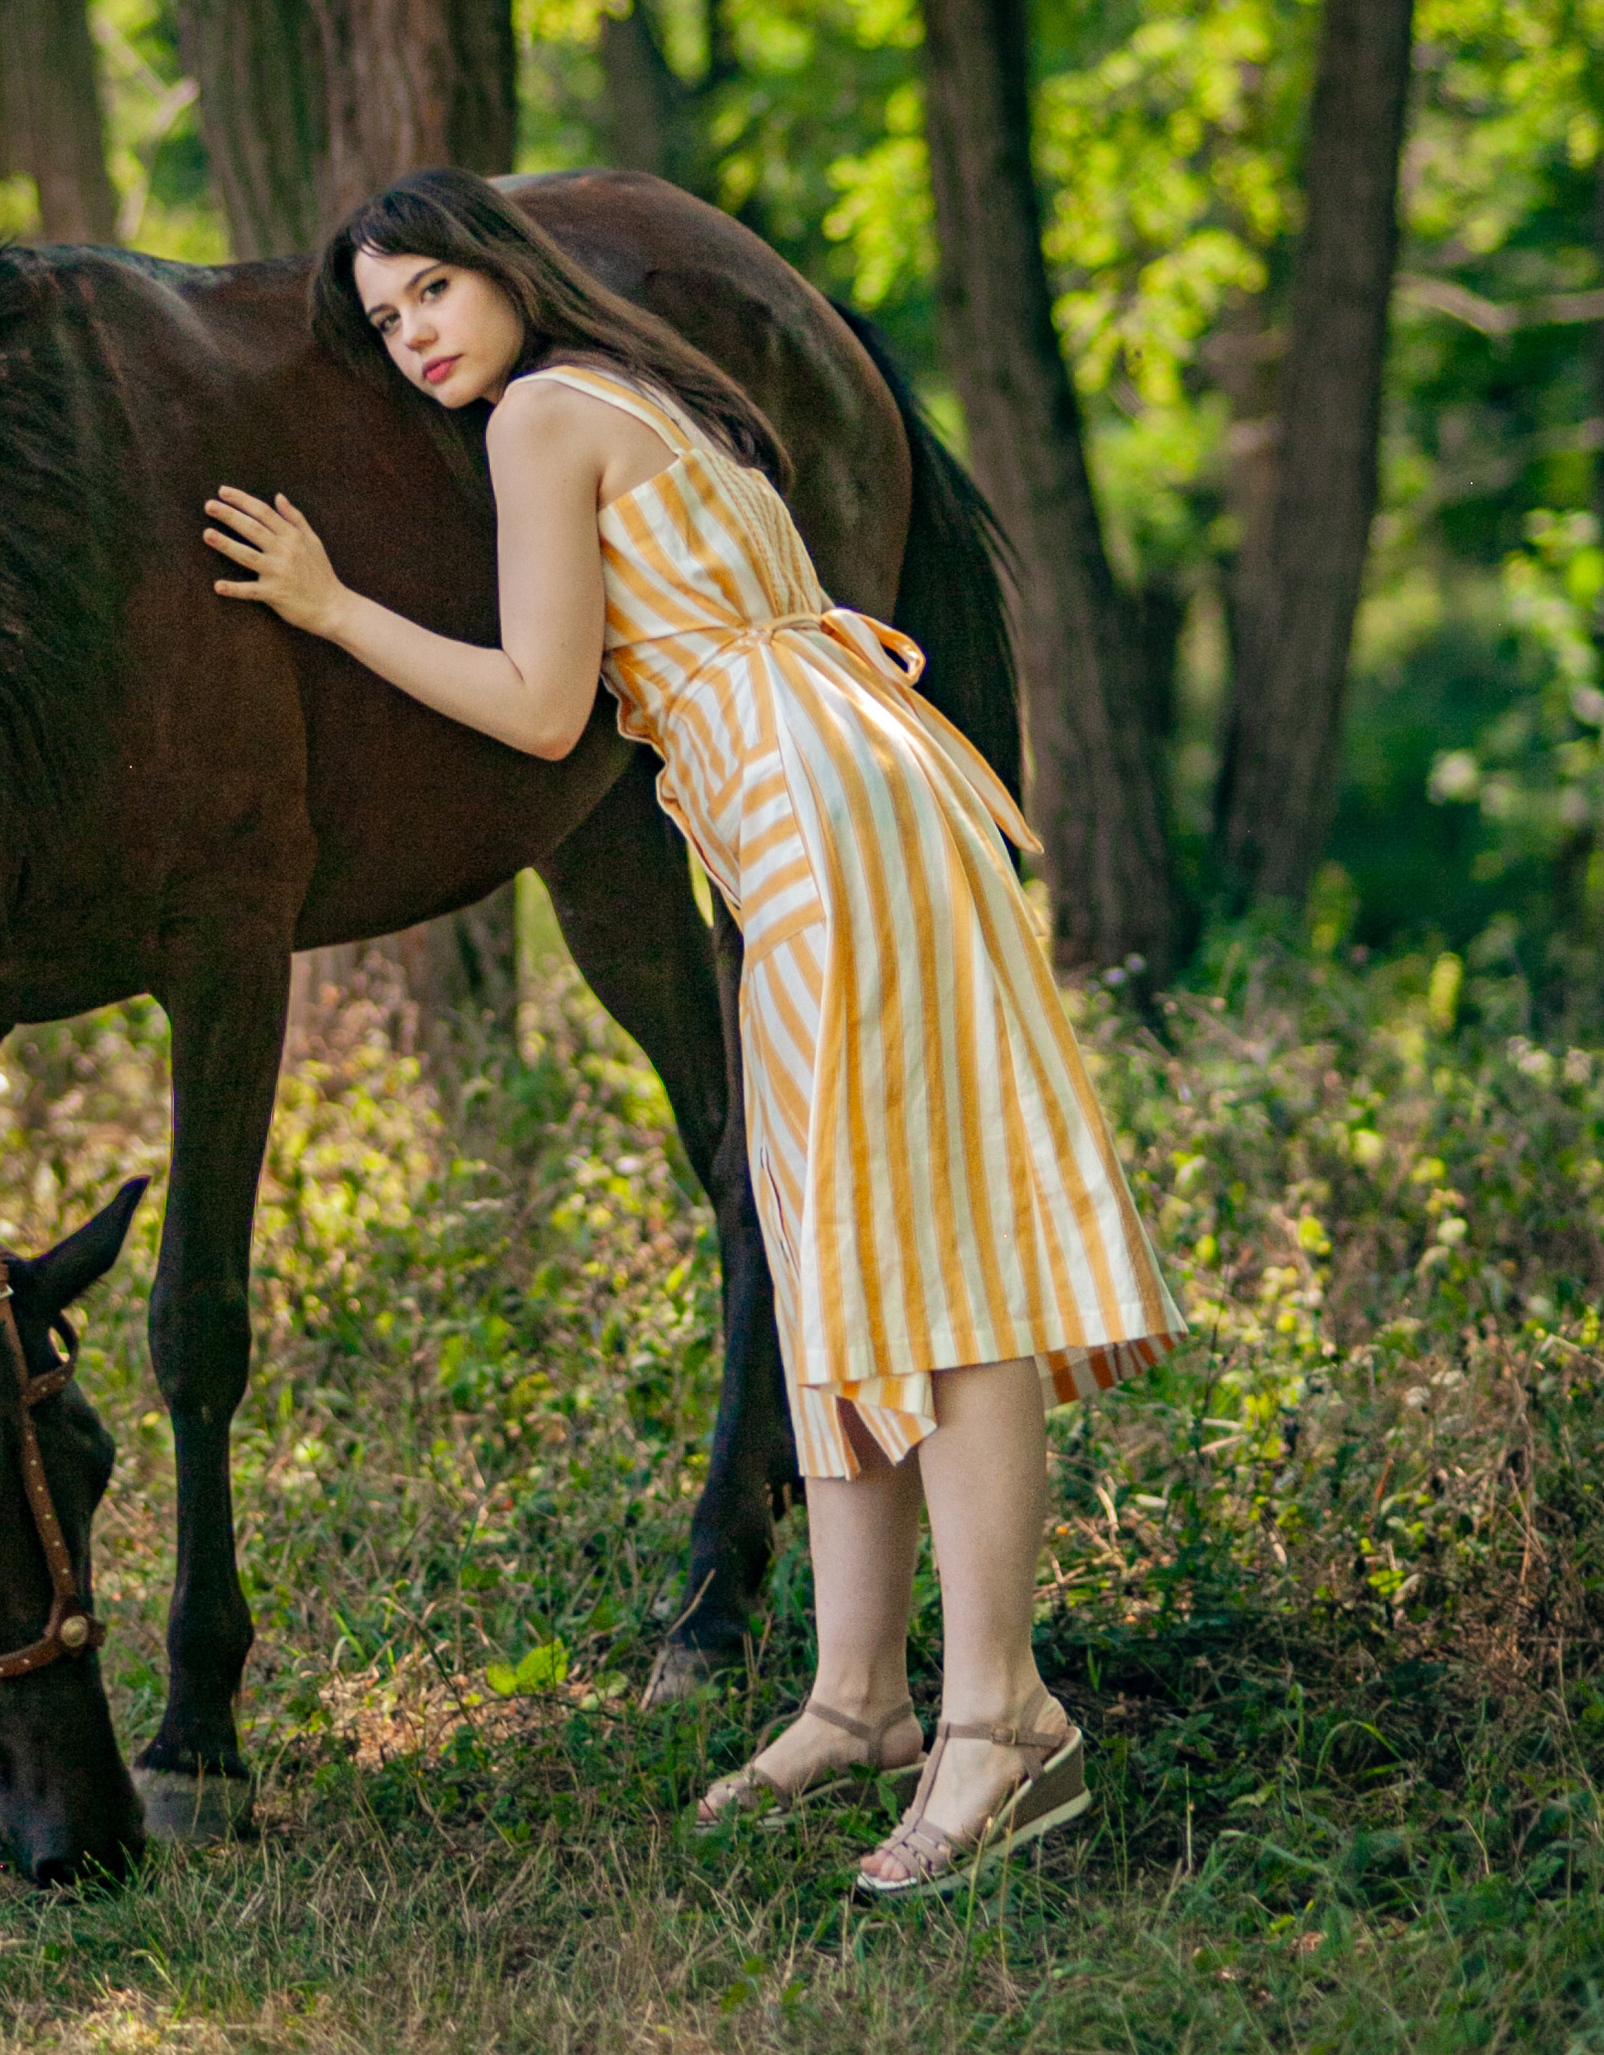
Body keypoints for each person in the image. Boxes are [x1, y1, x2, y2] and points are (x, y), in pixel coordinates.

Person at [203, 171, 1183, 1900]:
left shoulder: (542, 418)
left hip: (819, 825)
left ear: (506, 272)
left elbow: (541, 705)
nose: (416, 334)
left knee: (931, 1268)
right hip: (841, 797)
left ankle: (1001, 1722)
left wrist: (328, 603)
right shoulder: (651, 388)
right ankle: (860, 1694)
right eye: (385, 319)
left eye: (433, 288)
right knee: (836, 1259)